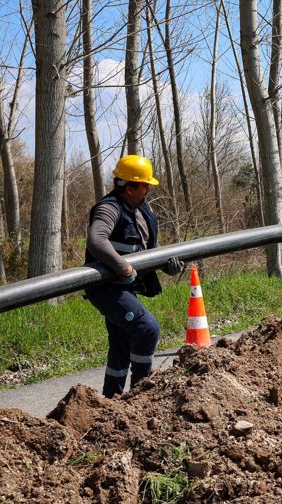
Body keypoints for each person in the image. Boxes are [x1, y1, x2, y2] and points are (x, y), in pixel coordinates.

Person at [84, 155, 184, 398]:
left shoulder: (142, 208)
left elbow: (149, 245)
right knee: (147, 328)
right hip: (107, 288)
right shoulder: (109, 208)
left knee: (121, 344)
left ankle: (111, 403)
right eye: (145, 185)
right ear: (129, 188)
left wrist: (166, 264)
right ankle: (141, 395)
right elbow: (97, 240)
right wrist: (124, 268)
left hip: (125, 289)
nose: (149, 189)